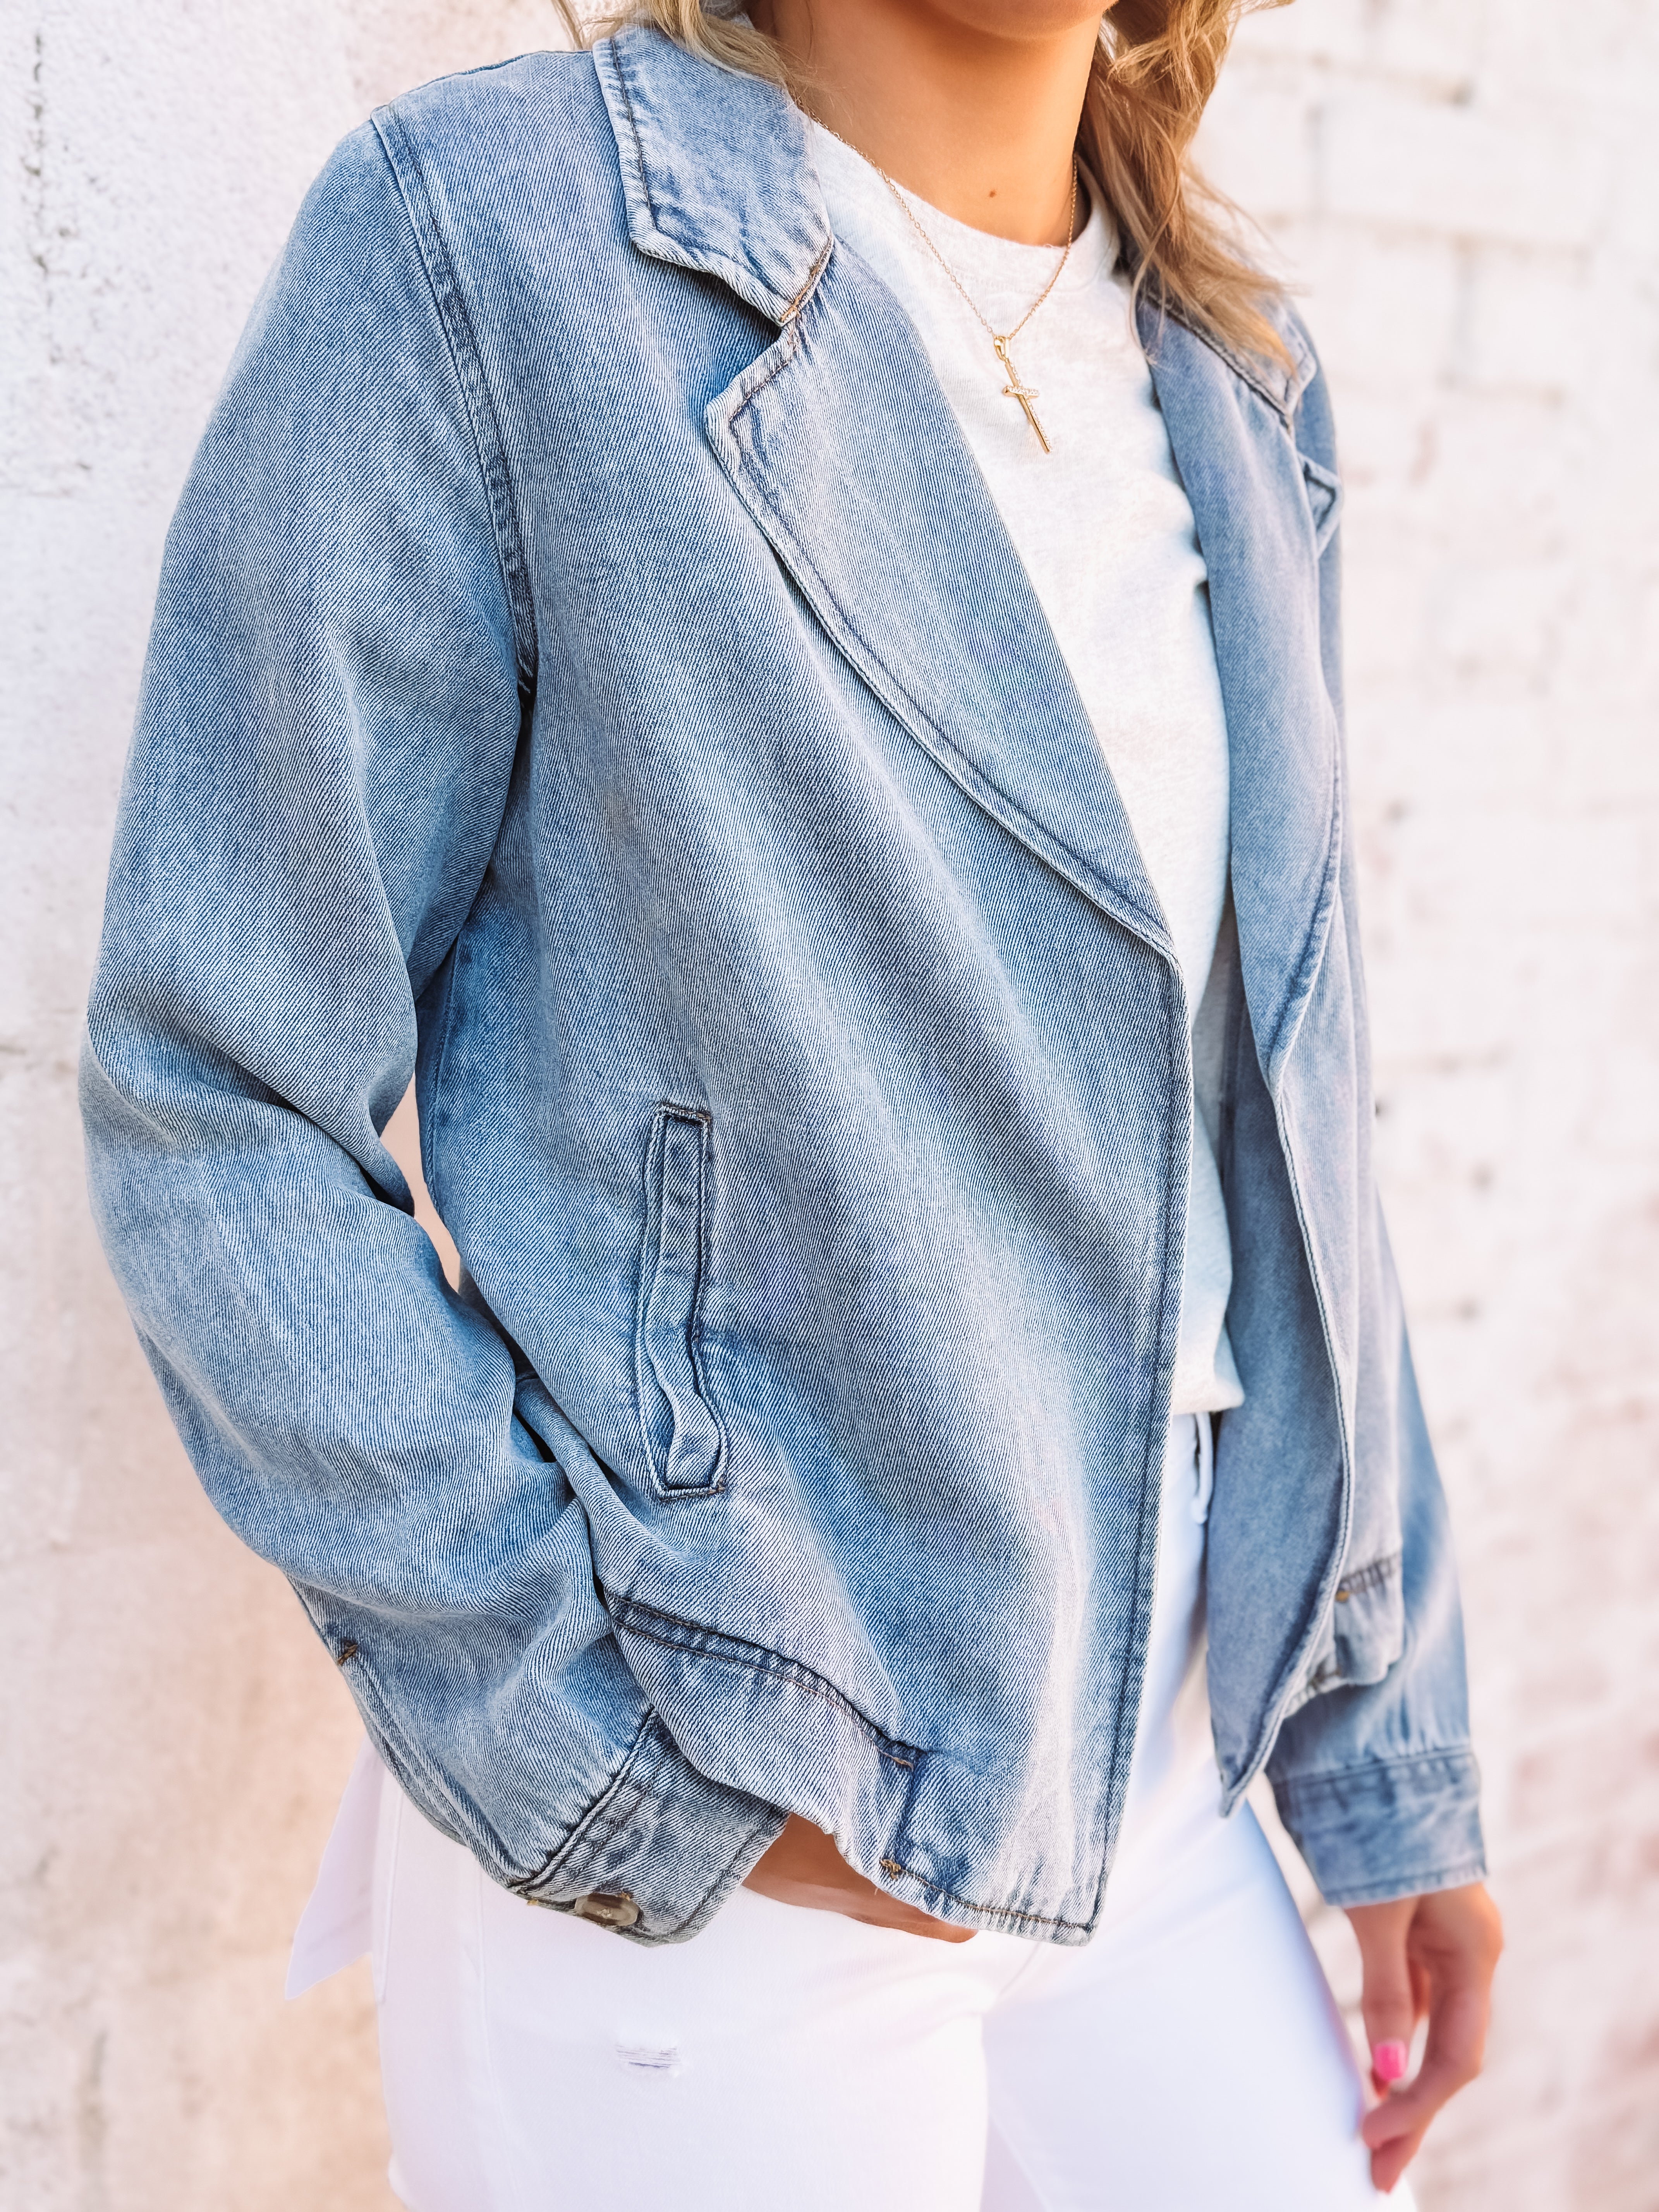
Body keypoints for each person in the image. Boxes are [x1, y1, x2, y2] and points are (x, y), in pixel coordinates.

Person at [81, 0, 1503, 2202]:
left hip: (1167, 1774)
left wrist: (1385, 1744)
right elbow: (222, 1083)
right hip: (738, 1799)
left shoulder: (1240, 381)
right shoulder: (492, 248)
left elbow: (1286, 1117)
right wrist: (595, 1751)